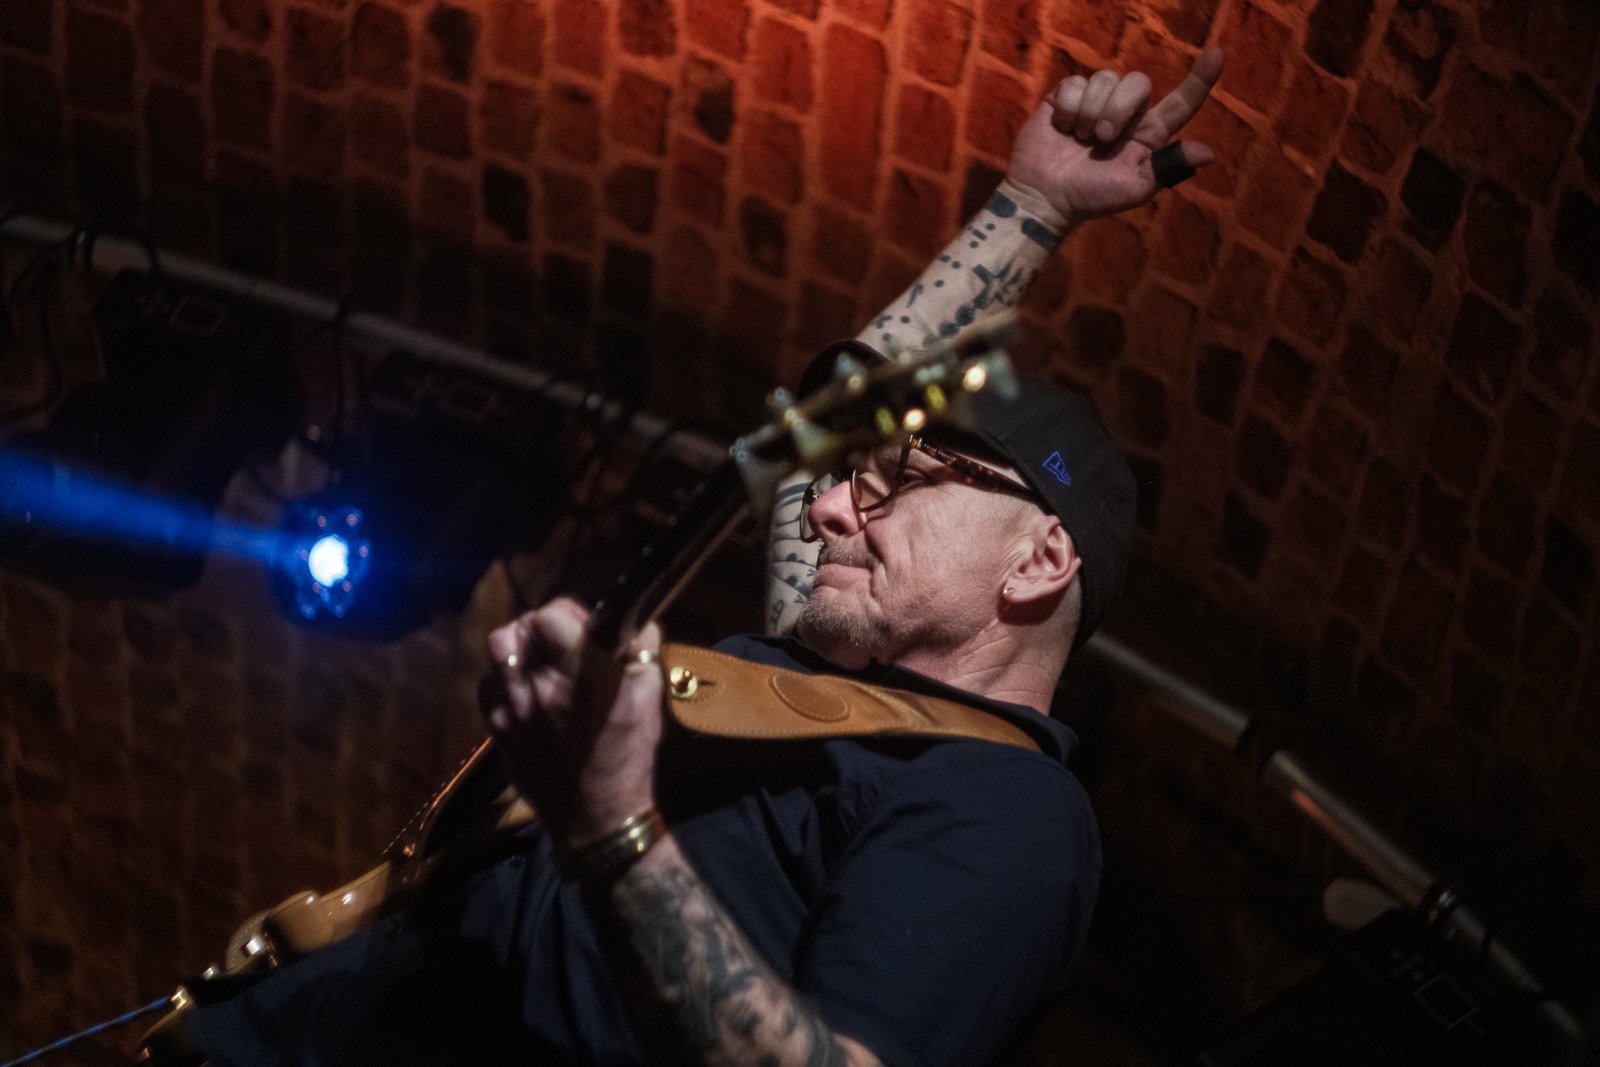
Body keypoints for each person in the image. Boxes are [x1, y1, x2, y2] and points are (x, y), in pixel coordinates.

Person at [180, 48, 1224, 1067]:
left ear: (1039, 559)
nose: (829, 509)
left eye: (898, 479)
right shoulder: (810, 681)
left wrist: (613, 826)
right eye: (845, 478)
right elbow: (828, 414)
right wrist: (1032, 206)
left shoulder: (1011, 810)